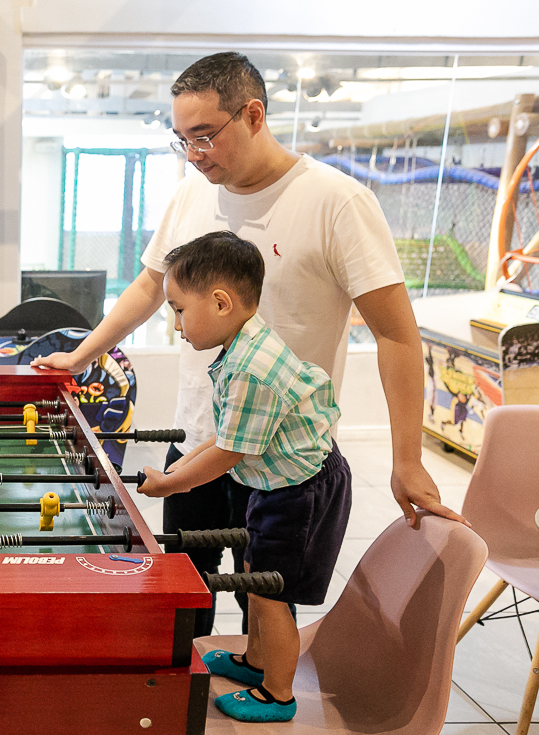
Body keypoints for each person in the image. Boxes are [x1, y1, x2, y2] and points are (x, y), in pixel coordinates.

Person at [32, 51, 463, 640]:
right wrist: (83, 354)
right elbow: (150, 284)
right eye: (182, 138)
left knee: (265, 593)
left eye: (205, 135)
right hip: (200, 439)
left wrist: (408, 458)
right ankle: (190, 707)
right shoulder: (190, 194)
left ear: (253, 114)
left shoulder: (338, 202)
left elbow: (395, 334)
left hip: (283, 456)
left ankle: (266, 694)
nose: (194, 153)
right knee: (188, 583)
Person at [137, 231, 351, 723]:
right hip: (277, 483)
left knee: (268, 592)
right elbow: (224, 434)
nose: (175, 325)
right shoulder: (240, 349)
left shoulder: (251, 369)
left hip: (300, 491)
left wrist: (173, 483)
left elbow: (230, 452)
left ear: (219, 302)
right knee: (255, 580)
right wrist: (178, 471)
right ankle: (256, 663)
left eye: (178, 310)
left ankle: (278, 694)